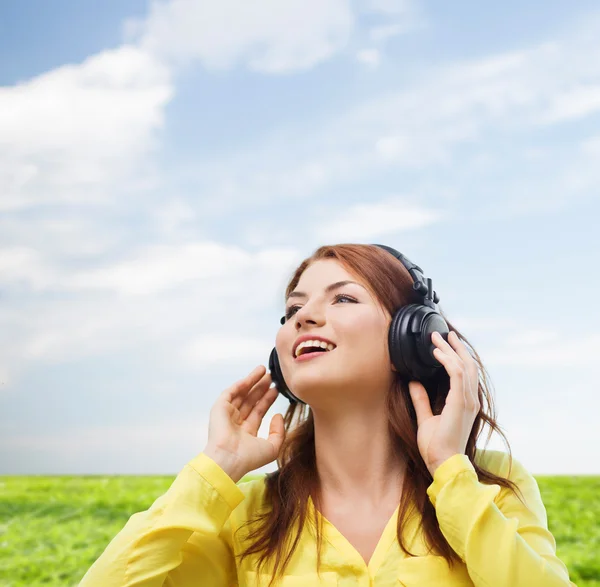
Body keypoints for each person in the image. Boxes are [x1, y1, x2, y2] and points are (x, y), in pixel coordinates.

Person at [79, 244, 577, 587]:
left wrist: (450, 471)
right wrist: (217, 467)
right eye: (293, 308)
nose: (304, 316)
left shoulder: (491, 484)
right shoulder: (244, 513)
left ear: (413, 337)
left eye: (343, 298)